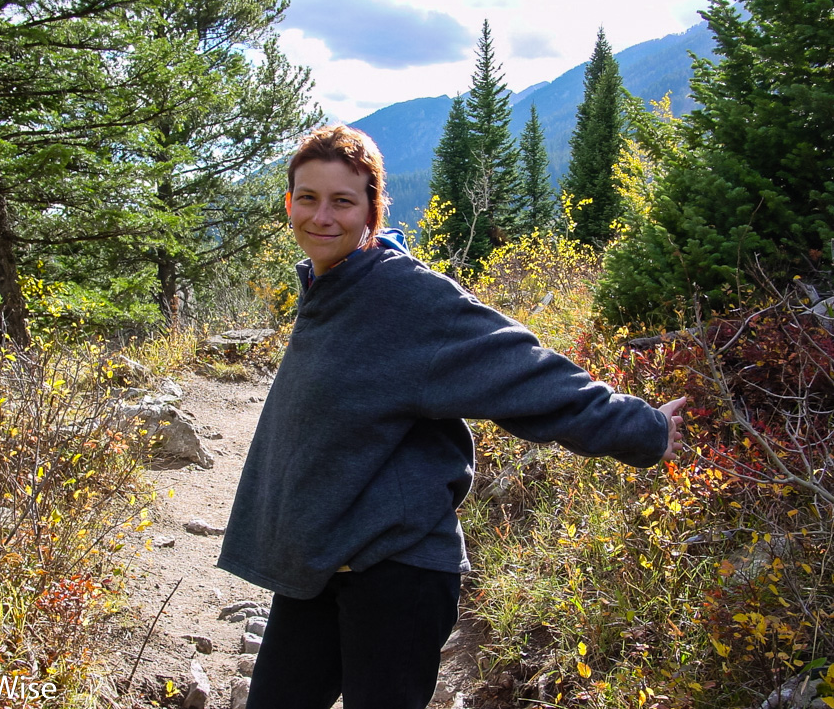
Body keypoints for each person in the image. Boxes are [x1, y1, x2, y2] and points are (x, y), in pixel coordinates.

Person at [217, 124, 686, 709]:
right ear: (289, 203)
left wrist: (641, 428)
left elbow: (525, 371)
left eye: (343, 200)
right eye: (307, 198)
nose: (322, 216)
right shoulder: (329, 287)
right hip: (321, 559)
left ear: (371, 209)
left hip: (395, 571)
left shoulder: (408, 297)